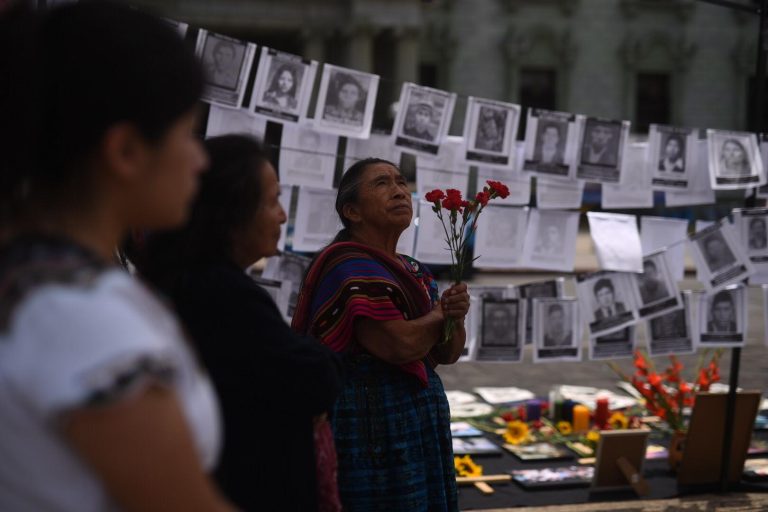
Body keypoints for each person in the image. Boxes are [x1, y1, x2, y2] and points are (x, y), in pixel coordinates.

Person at [0, 3, 233, 511]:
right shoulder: (80, 319)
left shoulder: (37, 283)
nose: (200, 158)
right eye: (186, 133)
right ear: (126, 151)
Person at [138, 135, 344, 511]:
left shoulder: (188, 280)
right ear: (231, 214)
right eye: (272, 201)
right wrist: (317, 356)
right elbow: (316, 378)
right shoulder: (221, 292)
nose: (282, 215)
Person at [292, 158, 469, 511]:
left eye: (402, 182)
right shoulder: (348, 266)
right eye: (382, 183)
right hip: (372, 425)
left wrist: (456, 317)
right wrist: (439, 314)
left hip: (418, 420)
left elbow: (447, 353)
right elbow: (398, 344)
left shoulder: (415, 271)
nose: (399, 190)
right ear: (352, 211)